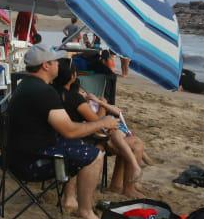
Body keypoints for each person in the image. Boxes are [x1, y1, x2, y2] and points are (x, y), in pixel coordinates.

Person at [7, 44, 115, 219]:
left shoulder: (25, 85)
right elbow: (70, 131)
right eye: (55, 61)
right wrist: (103, 122)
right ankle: (85, 210)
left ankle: (71, 198)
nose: (58, 64)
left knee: (75, 145)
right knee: (95, 155)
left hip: (15, 155)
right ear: (45, 65)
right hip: (31, 162)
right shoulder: (44, 92)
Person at [53, 58, 144, 197]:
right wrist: (102, 105)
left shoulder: (53, 93)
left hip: (62, 138)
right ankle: (127, 187)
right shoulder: (75, 99)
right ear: (72, 76)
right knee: (136, 143)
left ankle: (117, 185)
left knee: (124, 141)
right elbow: (99, 123)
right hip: (85, 139)